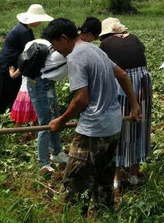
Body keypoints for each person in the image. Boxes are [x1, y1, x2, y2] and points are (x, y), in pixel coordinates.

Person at [43, 18, 142, 214]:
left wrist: (61, 121)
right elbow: (122, 75)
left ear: (63, 38)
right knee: (103, 181)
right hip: (113, 127)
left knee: (75, 183)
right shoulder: (95, 49)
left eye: (54, 45)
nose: (56, 50)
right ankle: (105, 215)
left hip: (93, 131)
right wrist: (134, 106)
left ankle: (74, 218)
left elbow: (81, 99)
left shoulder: (75, 57)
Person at [99, 17, 152, 190]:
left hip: (122, 83)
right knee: (138, 124)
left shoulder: (106, 44)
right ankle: (134, 173)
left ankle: (116, 177)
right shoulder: (135, 38)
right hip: (143, 82)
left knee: (118, 126)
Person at [10, 37, 69, 172]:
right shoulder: (65, 50)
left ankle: (56, 153)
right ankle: (43, 162)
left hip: (47, 83)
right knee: (45, 122)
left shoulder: (47, 46)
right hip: (39, 84)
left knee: (55, 117)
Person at [0, 4, 53, 123]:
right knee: (4, 95)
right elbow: (33, 51)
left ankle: (10, 121)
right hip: (7, 65)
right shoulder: (23, 32)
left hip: (14, 64)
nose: (40, 22)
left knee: (13, 94)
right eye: (39, 19)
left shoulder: (26, 30)